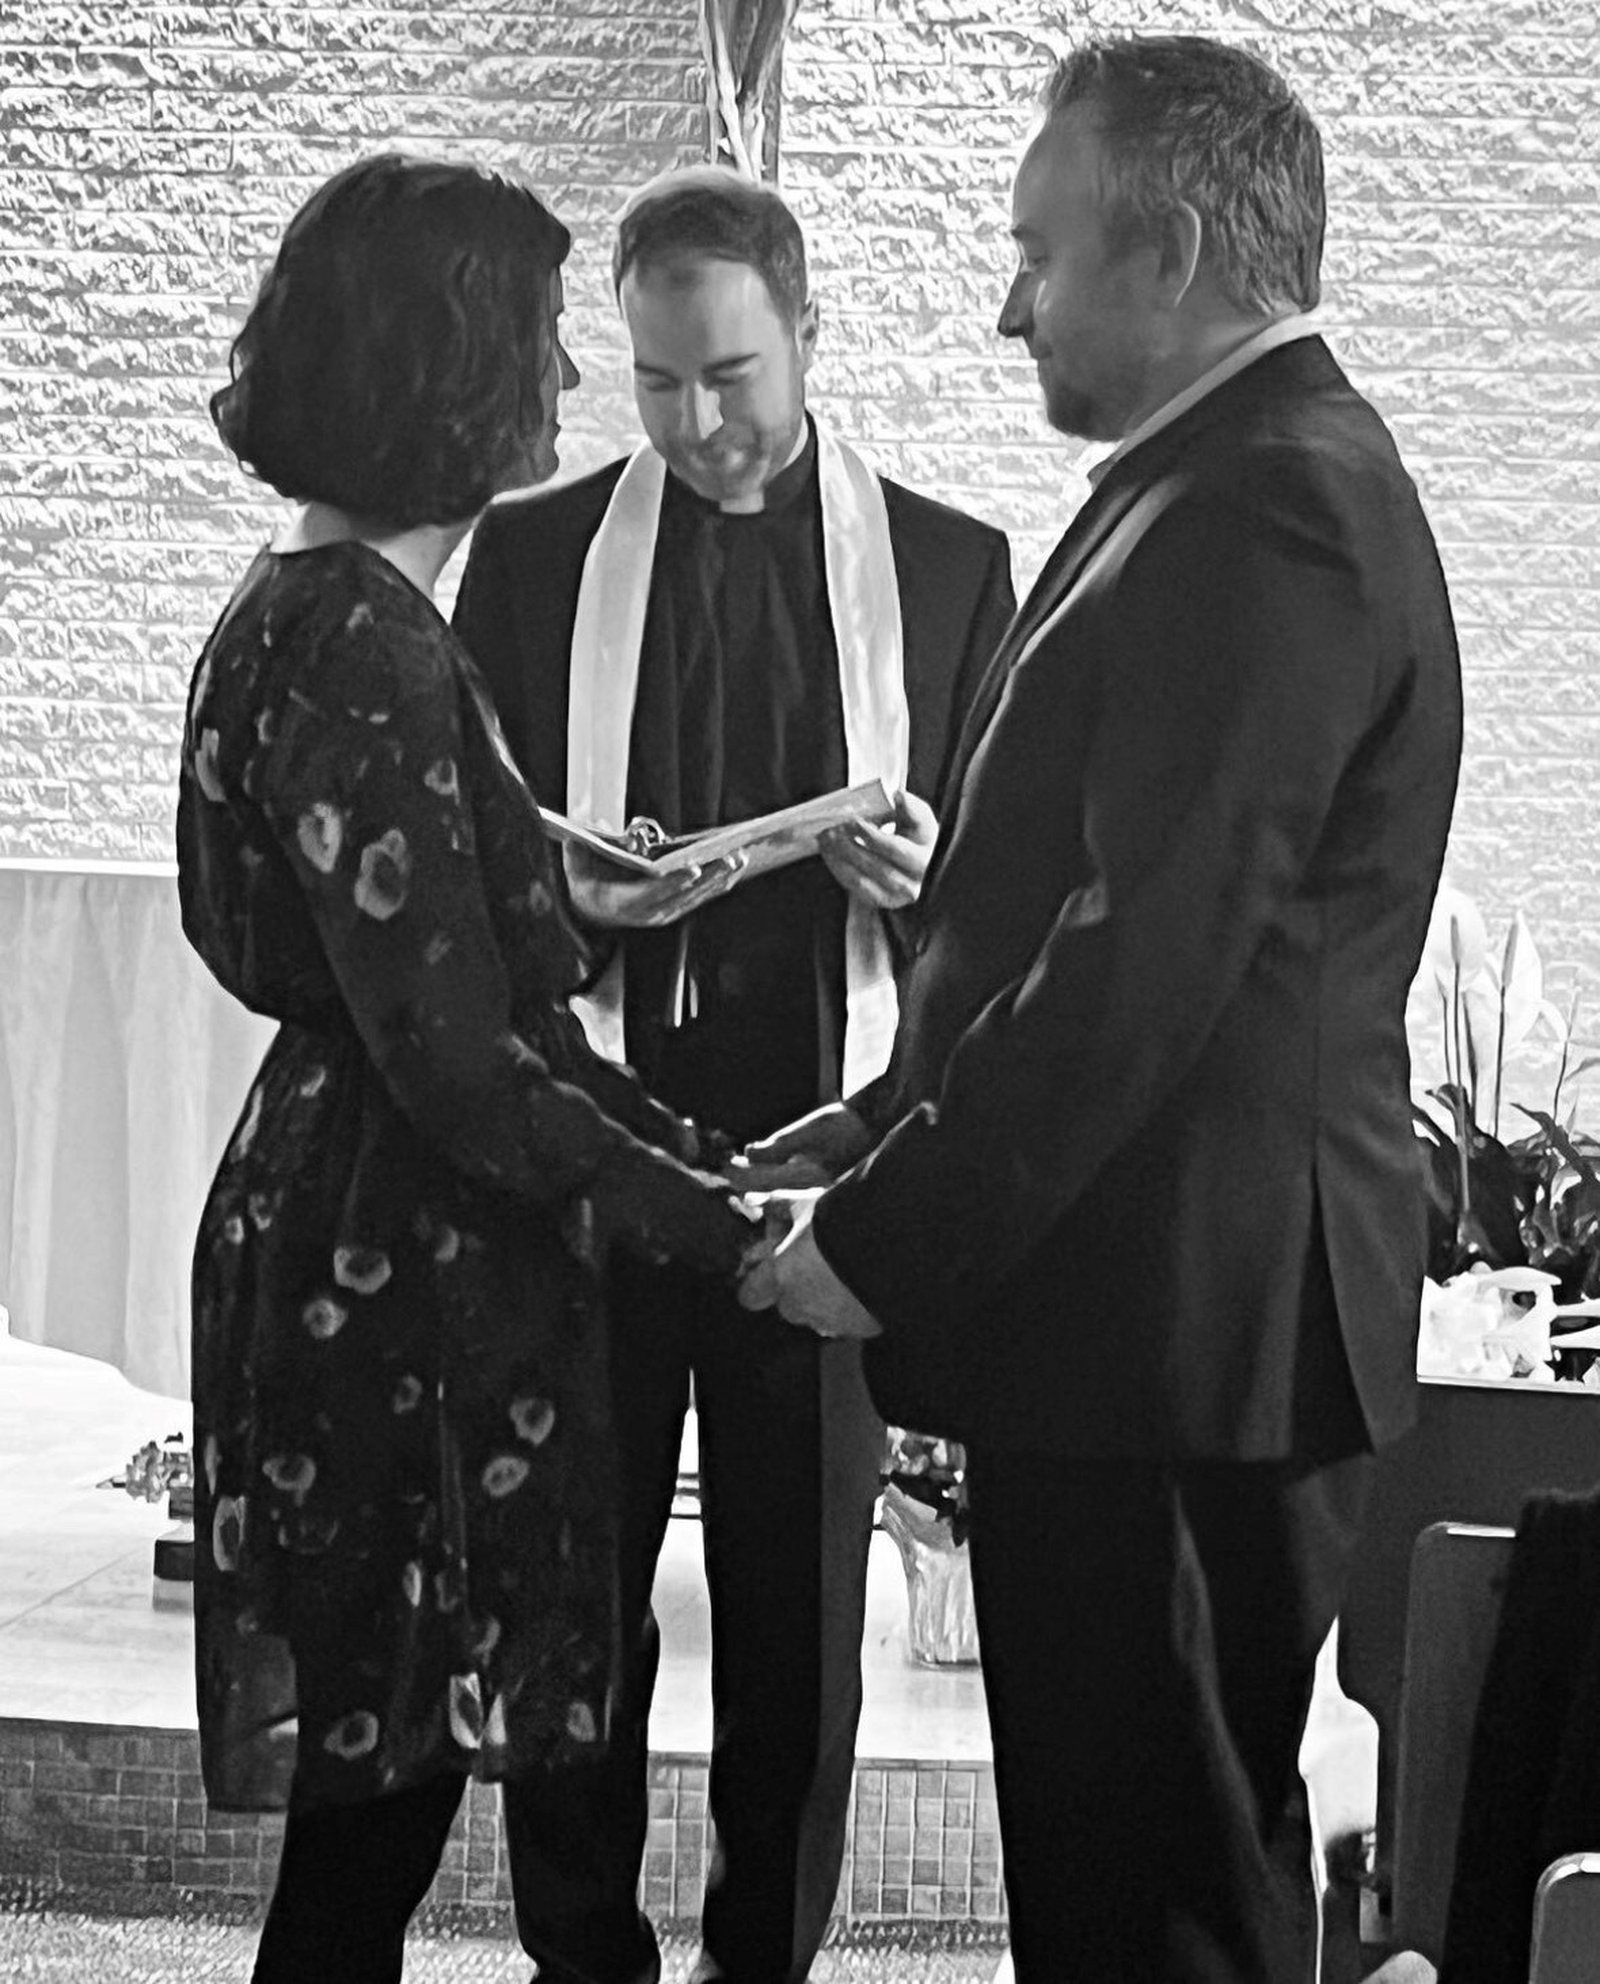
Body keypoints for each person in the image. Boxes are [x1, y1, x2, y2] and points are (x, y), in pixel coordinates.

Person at [741, 36, 1463, 1984]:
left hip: (1176, 1339)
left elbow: (1143, 960)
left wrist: (884, 1242)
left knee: (1147, 1913)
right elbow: (1084, 908)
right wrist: (877, 1120)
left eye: (1034, 253)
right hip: (1158, 1322)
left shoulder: (1268, 506)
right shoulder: (1224, 478)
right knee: (1117, 1876)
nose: (1003, 303)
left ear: (1166, 255)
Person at [177, 154, 758, 1984]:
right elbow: (460, 1063)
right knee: (379, 1831)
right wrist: (723, 1206)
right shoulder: (365, 637)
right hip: (399, 1269)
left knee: (388, 1812)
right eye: (539, 345)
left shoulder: (303, 604)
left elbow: (357, 931)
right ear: (452, 370)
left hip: (351, 1214)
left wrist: (531, 866)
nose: (573, 391)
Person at [454, 166, 1015, 1984]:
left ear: (808, 333)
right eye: (659, 383)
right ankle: (577, 1957)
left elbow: (1017, 923)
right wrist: (559, 882)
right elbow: (457, 871)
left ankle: (761, 1962)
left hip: (820, 1170)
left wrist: (931, 889)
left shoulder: (945, 567)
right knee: (574, 1618)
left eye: (733, 376)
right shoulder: (533, 560)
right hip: (595, 1167)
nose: (697, 425)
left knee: (796, 1636)